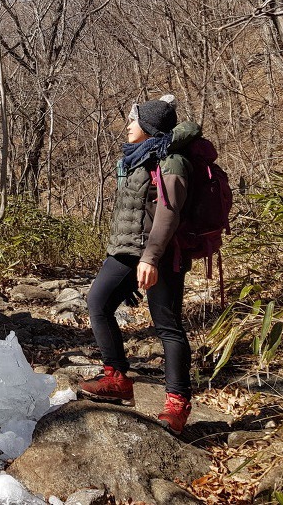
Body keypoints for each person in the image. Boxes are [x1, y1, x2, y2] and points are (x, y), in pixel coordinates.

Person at [78, 94, 201, 435]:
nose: (128, 125)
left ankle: (177, 403)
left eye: (134, 120)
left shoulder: (172, 161)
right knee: (98, 302)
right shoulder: (135, 158)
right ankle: (116, 378)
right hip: (126, 251)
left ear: (149, 126)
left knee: (167, 326)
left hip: (162, 254)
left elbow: (168, 214)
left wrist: (150, 258)